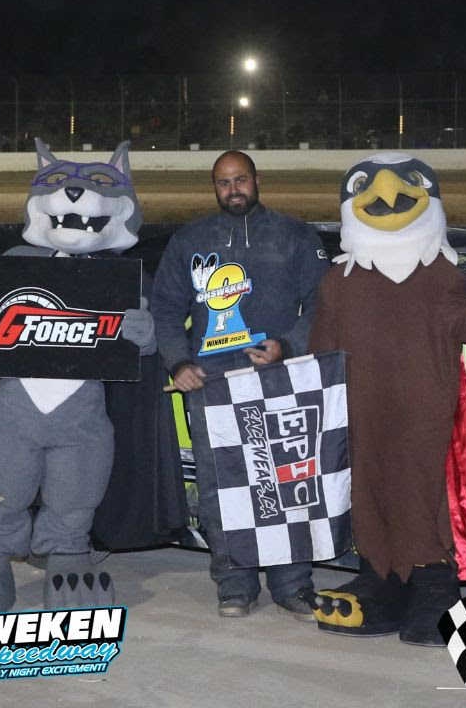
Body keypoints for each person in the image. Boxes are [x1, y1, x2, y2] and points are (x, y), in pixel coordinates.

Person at [150, 150, 329, 619]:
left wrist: (288, 345)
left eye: (241, 180)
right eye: (224, 182)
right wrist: (178, 362)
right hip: (211, 384)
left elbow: (324, 304)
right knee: (220, 487)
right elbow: (165, 308)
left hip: (278, 376)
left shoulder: (294, 235)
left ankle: (292, 584)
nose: (233, 190)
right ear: (215, 187)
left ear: (256, 180)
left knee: (287, 480)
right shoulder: (190, 240)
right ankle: (234, 584)